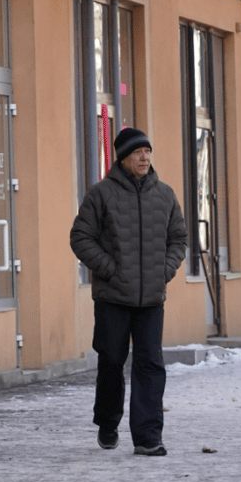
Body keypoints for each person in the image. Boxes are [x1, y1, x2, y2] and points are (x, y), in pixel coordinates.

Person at [70, 127, 188, 456]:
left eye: (147, 152)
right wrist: (109, 269)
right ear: (123, 158)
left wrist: (165, 270)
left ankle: (149, 436)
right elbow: (80, 237)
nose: (144, 157)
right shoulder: (101, 194)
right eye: (137, 153)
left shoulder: (165, 195)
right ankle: (108, 421)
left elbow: (178, 239)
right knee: (111, 362)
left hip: (151, 298)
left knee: (150, 364)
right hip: (113, 298)